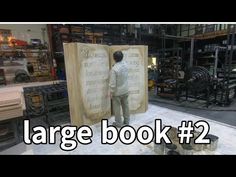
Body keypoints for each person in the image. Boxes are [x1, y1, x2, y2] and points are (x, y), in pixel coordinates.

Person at [109, 51, 130, 127]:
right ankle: (127, 121)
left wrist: (111, 92)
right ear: (122, 57)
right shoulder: (126, 65)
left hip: (117, 92)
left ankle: (118, 123)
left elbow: (112, 83)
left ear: (114, 58)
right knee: (126, 106)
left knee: (117, 108)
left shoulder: (114, 69)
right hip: (126, 90)